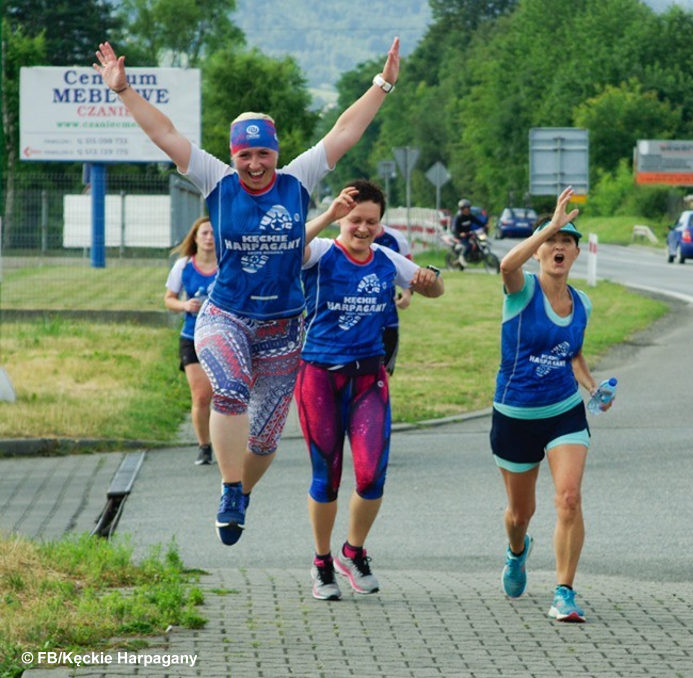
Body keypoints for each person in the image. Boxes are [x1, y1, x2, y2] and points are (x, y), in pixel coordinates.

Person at [93, 38, 400, 546]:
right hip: (226, 314)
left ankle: (241, 493)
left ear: (276, 154)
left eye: (262, 154)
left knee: (265, 437)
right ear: (231, 155)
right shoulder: (216, 182)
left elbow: (345, 130)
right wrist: (123, 90)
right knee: (230, 389)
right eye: (244, 155)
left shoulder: (297, 179)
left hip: (284, 326)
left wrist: (382, 84)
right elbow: (164, 132)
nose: (254, 164)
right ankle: (230, 487)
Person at [296, 180, 444, 600]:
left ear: (381, 224)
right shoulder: (323, 252)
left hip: (368, 377)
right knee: (327, 476)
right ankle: (322, 562)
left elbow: (434, 286)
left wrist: (429, 282)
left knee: (371, 474)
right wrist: (327, 215)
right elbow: (289, 252)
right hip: (319, 376)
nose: (362, 228)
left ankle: (352, 551)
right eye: (355, 219)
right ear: (342, 216)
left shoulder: (384, 257)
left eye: (371, 222)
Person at [491, 186, 610, 623]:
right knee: (521, 513)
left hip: (563, 411)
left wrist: (593, 388)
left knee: (569, 498)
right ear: (538, 252)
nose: (559, 247)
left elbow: (572, 353)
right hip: (515, 414)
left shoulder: (583, 303)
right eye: (551, 242)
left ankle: (564, 592)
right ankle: (517, 551)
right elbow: (506, 264)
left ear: (576, 253)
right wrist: (551, 224)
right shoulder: (520, 290)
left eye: (566, 242)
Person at [164, 216, 218, 466]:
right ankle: (204, 446)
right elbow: (169, 299)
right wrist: (185, 304)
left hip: (222, 339)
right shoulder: (184, 266)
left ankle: (228, 441)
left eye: (213, 233)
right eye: (204, 233)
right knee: (201, 396)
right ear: (195, 238)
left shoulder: (229, 265)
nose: (209, 238)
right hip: (192, 337)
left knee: (226, 395)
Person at [373, 223, 413, 374]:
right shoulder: (334, 245)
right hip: (353, 324)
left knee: (382, 375)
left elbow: (409, 270)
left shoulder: (395, 239)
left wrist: (407, 294)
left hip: (387, 320)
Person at [451, 198, 486, 269]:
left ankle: (473, 257)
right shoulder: (458, 217)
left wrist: (484, 225)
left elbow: (477, 221)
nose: (467, 209)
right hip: (459, 237)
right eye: (465, 208)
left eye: (468, 208)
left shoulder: (470, 216)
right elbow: (454, 229)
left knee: (476, 243)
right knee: (468, 246)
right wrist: (460, 234)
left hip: (468, 236)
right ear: (462, 209)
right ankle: (461, 258)